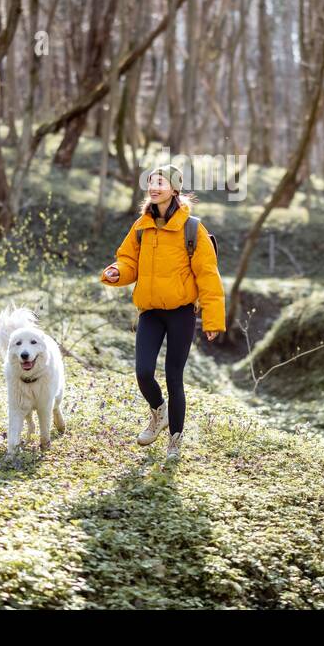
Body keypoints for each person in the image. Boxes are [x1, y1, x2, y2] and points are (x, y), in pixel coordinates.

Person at [100, 163, 224, 461]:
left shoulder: (192, 228)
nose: (154, 187)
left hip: (181, 312)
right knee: (143, 371)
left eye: (161, 182)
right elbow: (129, 259)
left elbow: (208, 275)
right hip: (150, 311)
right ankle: (159, 414)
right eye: (151, 182)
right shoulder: (141, 225)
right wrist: (118, 271)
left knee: (173, 376)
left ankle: (175, 440)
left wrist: (212, 318)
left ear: (174, 189)